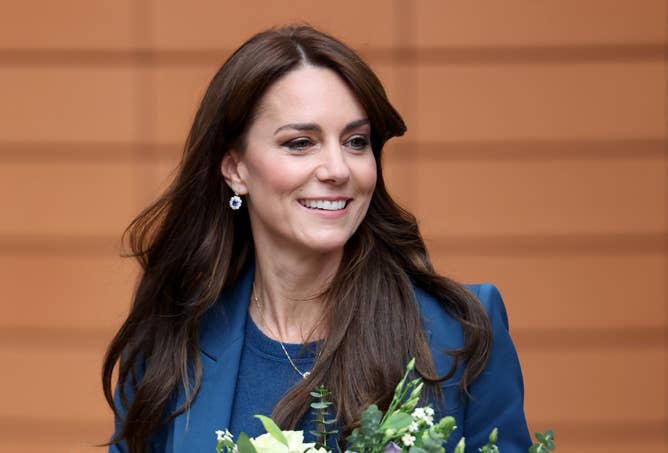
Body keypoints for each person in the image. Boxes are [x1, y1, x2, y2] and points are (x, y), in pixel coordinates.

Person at [102, 25, 531, 453]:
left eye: (356, 142)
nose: (337, 169)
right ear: (236, 169)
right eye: (301, 143)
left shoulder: (462, 331)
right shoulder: (169, 346)